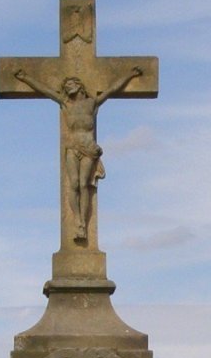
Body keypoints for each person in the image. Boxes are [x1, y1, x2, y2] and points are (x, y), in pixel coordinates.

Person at [13, 66, 142, 243]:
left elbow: (112, 89)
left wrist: (129, 74)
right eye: (65, 85)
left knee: (84, 185)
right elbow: (46, 90)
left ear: (79, 86)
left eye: (70, 84)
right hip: (72, 147)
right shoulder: (66, 104)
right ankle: (78, 221)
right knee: (73, 184)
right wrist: (25, 77)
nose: (67, 87)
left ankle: (83, 224)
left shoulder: (92, 103)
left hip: (88, 147)